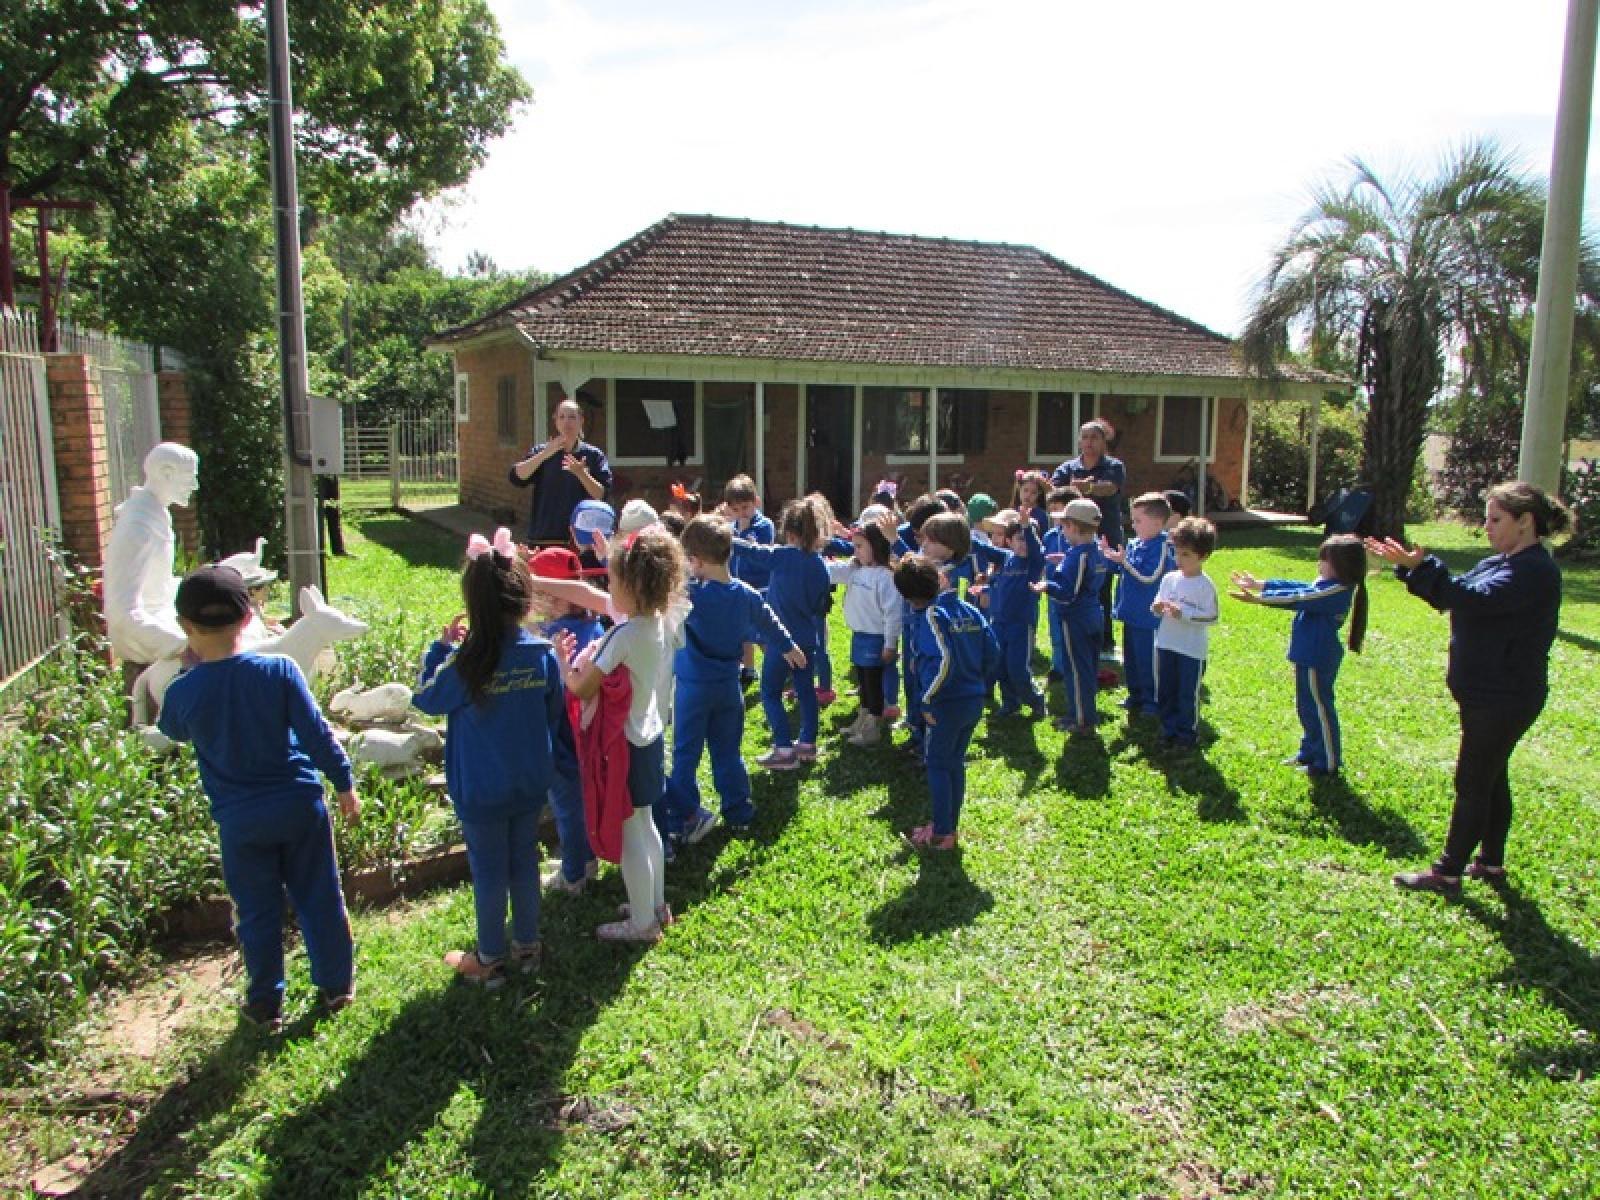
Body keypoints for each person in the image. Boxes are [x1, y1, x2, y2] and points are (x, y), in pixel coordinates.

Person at [156, 565, 358, 1030]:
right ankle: (335, 987)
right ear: (248, 618)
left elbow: (173, 729)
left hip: (241, 822)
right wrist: (343, 782)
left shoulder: (184, 692)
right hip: (300, 806)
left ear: (186, 627)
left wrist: (192, 676)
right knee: (321, 898)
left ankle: (266, 1002)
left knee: (257, 912)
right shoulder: (280, 670)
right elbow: (316, 734)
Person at [1367, 483, 1566, 895]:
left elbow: (1470, 598)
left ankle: (1447, 872)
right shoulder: (1505, 562)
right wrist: (1414, 566)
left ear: (1525, 522)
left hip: (1504, 697)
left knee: (1473, 782)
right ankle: (1490, 862)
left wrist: (1423, 568)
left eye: (1496, 520)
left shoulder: (1532, 571)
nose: (1487, 528)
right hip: (1489, 693)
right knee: (1492, 777)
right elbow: (1454, 592)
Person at [413, 529, 577, 985]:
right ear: (524, 599)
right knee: (523, 862)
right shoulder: (542, 654)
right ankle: (528, 948)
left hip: (481, 788)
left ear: (474, 603)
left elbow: (425, 698)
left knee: (488, 871)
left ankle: (489, 960)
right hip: (529, 781)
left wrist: (440, 649)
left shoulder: (467, 660)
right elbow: (552, 709)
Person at [556, 527, 688, 941]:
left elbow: (582, 686)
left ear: (633, 586)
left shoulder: (625, 636)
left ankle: (642, 924)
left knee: (632, 832)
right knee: (647, 825)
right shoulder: (665, 622)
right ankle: (654, 903)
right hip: (651, 736)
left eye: (611, 581)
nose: (606, 587)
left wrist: (564, 663)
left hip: (624, 745)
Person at [664, 515, 804, 841]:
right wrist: (789, 646)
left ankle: (683, 815)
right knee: (728, 751)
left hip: (692, 689)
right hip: (729, 686)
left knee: (685, 754)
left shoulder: (689, 597)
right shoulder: (746, 594)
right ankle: (738, 809)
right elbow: (769, 621)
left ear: (695, 562)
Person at [1229, 534, 1368, 777]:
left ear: (1341, 566)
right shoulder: (1327, 584)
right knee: (1306, 707)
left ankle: (1327, 762)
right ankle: (1310, 752)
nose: (1319, 564)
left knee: (1320, 709)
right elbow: (1297, 587)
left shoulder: (1336, 591)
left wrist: (1260, 599)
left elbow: (1300, 598)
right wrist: (1260, 584)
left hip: (1318, 657)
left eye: (1325, 560)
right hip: (1307, 655)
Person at [896, 554, 998, 850]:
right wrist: (978, 683)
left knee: (938, 764)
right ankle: (949, 827)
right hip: (972, 699)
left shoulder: (931, 617)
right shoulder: (968, 609)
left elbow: (942, 661)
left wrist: (927, 702)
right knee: (954, 762)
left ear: (907, 597)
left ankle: (941, 834)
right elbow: (992, 650)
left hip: (944, 704)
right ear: (940, 579)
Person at [732, 496, 833, 769]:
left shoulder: (784, 555)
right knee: (806, 692)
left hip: (780, 641)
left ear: (789, 532)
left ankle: (783, 749)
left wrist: (725, 538)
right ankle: (807, 744)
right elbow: (819, 606)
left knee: (770, 692)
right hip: (807, 640)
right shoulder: (820, 566)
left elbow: (753, 552)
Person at [526, 546, 604, 896]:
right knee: (580, 804)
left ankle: (574, 875)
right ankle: (585, 858)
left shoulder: (553, 640)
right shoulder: (593, 624)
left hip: (563, 738)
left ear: (555, 599)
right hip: (590, 734)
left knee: (568, 806)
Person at [103, 442, 200, 685]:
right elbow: (122, 612)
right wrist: (183, 645)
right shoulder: (138, 527)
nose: (195, 486)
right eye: (189, 477)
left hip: (164, 644)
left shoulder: (155, 516)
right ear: (167, 473)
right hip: (151, 663)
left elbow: (158, 589)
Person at [1051, 419, 1126, 659]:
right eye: (1084, 437)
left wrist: (1089, 489)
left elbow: (1110, 488)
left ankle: (1105, 640)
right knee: (1074, 584)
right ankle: (1075, 635)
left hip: (1105, 537)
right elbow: (1055, 490)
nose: (1089, 443)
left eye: (1094, 437)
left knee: (1101, 588)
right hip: (1074, 538)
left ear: (1104, 442)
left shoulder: (1114, 466)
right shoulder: (1068, 468)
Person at [1034, 498, 1109, 735]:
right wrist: (1063, 563)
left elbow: (1067, 594)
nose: (1062, 531)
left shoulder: (1078, 556)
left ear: (1075, 528)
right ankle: (1086, 713)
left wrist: (1046, 585)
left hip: (1075, 619)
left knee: (1076, 670)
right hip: (1093, 614)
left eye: (1064, 526)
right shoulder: (1095, 550)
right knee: (1087, 668)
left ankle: (1081, 720)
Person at [1101, 493, 1176, 717]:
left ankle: (1152, 700)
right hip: (1131, 611)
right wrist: (1109, 557)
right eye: (1132, 520)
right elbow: (1122, 569)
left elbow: (1149, 577)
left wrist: (1123, 561)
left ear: (1157, 523)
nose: (1133, 525)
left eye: (1138, 521)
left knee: (1148, 660)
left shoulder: (1162, 547)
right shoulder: (1135, 543)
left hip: (1149, 615)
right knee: (1131, 658)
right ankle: (1135, 694)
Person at [826, 521, 901, 745]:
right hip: (859, 636)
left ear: (877, 546)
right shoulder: (855, 569)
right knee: (862, 680)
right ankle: (863, 716)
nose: (854, 551)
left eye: (859, 546)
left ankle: (873, 726)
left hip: (876, 638)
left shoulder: (886, 577)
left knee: (873, 682)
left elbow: (892, 614)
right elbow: (830, 572)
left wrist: (890, 644)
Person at [1152, 517, 1219, 749]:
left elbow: (1212, 617)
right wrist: (1157, 608)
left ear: (1202, 556)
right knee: (1166, 690)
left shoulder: (1204, 585)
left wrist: (1186, 614)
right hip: (1166, 644)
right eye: (1177, 553)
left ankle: (1186, 733)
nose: (1178, 560)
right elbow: (1158, 603)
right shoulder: (1169, 579)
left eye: (1186, 555)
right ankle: (1167, 728)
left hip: (1190, 649)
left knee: (1186, 693)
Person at [970, 511, 1045, 719]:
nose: (1024, 544)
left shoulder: (1033, 563)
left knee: (1017, 669)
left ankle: (1035, 699)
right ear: (1009, 541)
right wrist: (962, 533)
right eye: (1019, 539)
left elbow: (1036, 548)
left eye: (1027, 539)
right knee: (999, 666)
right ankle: (1010, 703)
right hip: (999, 623)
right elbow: (983, 548)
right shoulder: (1006, 558)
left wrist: (1027, 527)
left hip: (1020, 625)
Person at [508, 397, 612, 546]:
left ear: (581, 420)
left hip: (580, 541)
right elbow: (516, 477)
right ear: (555, 421)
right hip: (543, 537)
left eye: (572, 417)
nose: (566, 422)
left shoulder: (593, 455)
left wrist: (581, 474)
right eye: (561, 417)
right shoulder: (541, 452)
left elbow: (601, 494)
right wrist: (545, 454)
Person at [724, 474, 773, 687]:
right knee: (744, 632)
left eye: (745, 507)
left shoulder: (763, 525)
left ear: (756, 502)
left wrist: (742, 532)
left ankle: (776, 663)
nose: (741, 513)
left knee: (762, 633)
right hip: (738, 585)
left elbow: (759, 552)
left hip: (760, 586)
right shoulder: (732, 526)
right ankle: (749, 669)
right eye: (736, 509)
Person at [1012, 470, 1051, 535]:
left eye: (1033, 492)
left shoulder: (1043, 516)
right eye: (1025, 490)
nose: (1028, 495)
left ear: (1039, 494)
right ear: (1019, 489)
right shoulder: (1013, 513)